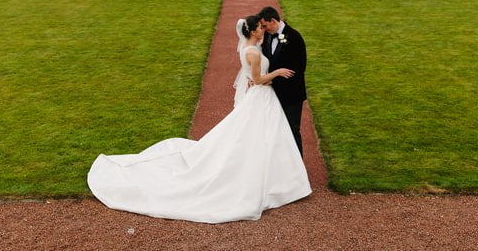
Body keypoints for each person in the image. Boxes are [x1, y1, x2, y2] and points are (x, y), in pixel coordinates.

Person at [87, 15, 311, 223]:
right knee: (259, 134)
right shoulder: (252, 52)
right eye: (260, 28)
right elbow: (258, 78)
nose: (264, 30)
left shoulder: (249, 47)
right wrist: (277, 73)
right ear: (253, 31)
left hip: (260, 98)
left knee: (258, 134)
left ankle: (274, 172)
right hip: (261, 96)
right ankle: (275, 176)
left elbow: (255, 70)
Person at [258, 6, 307, 156]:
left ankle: (299, 169)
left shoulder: (294, 37)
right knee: (274, 130)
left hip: (291, 95)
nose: (264, 29)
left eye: (265, 26)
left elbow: (298, 69)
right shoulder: (268, 36)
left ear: (273, 21)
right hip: (272, 94)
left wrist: (272, 81)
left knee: (292, 130)